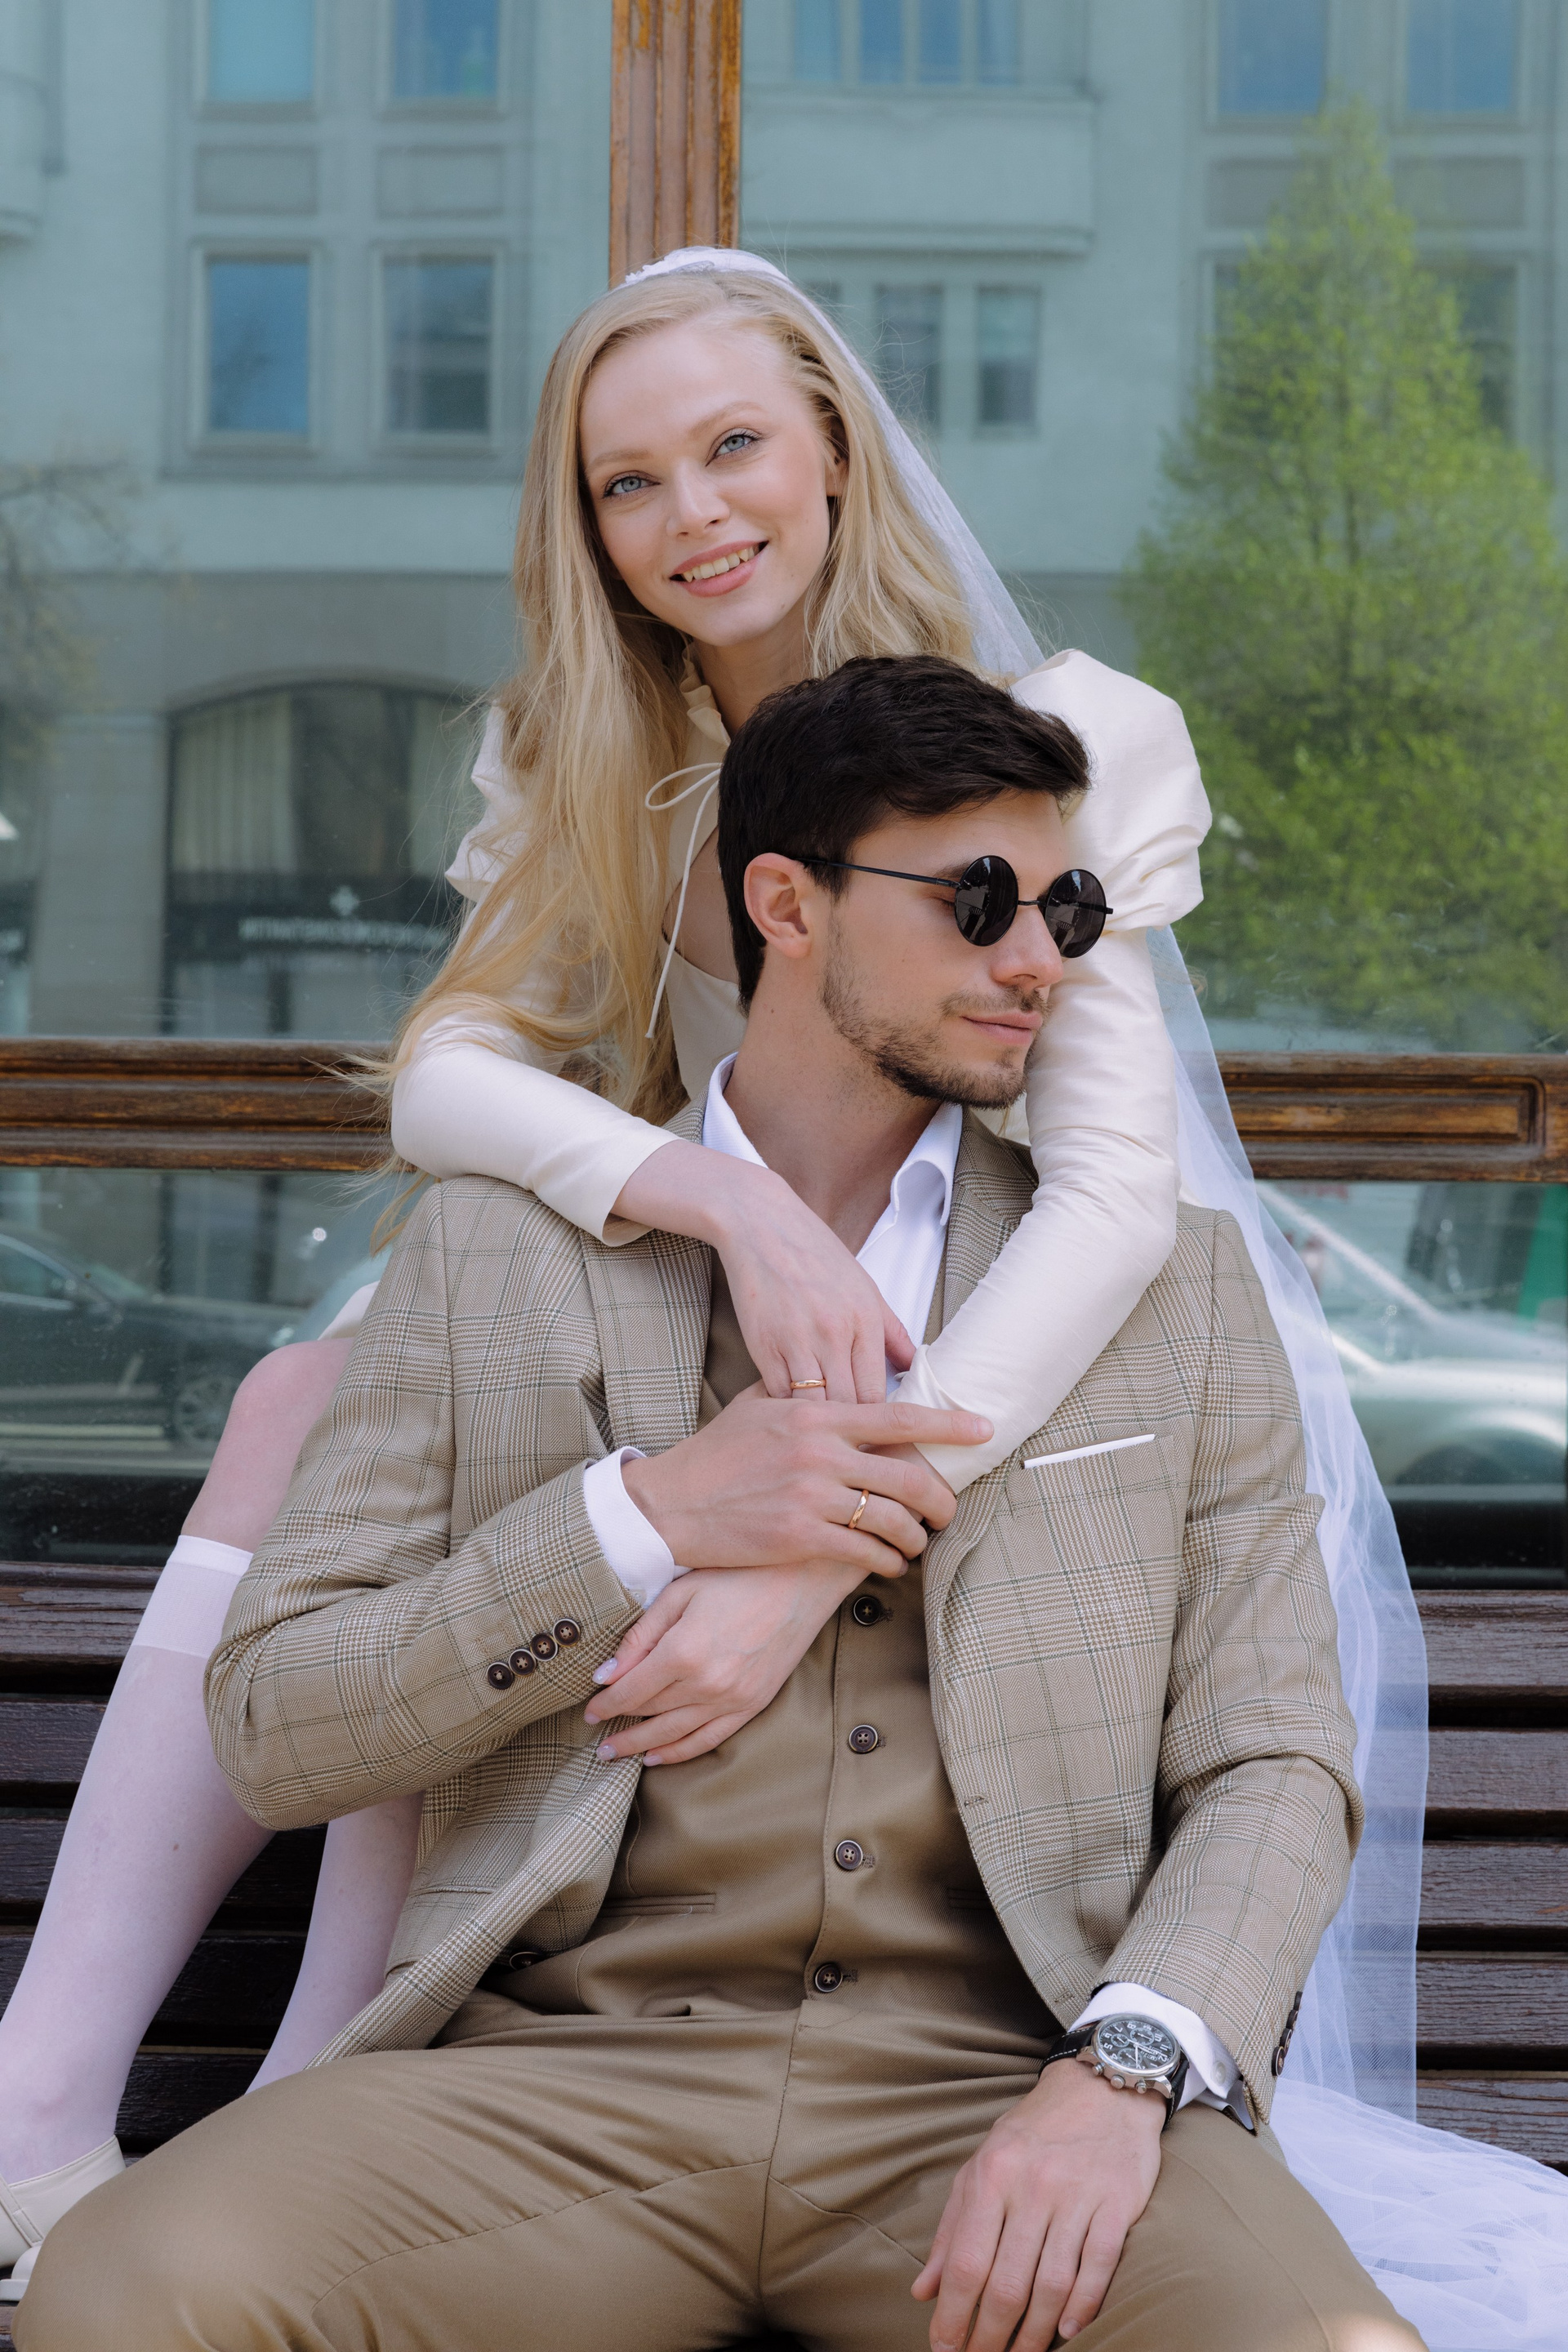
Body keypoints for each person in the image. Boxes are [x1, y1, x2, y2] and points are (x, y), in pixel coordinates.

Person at [0, 249, 1209, 2292]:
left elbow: (1108, 1199)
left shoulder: (1060, 738)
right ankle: (46, 2099)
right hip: (736, 1267)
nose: (691, 516)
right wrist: (726, 1206)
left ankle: (300, 2079)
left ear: (835, 448)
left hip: (966, 1303)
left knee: (404, 1425)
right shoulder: (592, 753)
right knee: (324, 1399)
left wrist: (805, 1556)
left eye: (733, 447)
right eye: (627, 482)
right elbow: (446, 1079)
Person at [16, 655, 1421, 2352]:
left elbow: (1274, 1757)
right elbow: (275, 1727)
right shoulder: (495, 1256)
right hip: (560, 2088)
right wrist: (646, 1517)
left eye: (1067, 910)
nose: (1040, 961)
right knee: (120, 2295)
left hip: (998, 2090)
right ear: (786, 903)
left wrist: (1125, 2071)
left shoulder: (1172, 1292)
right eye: (981, 902)